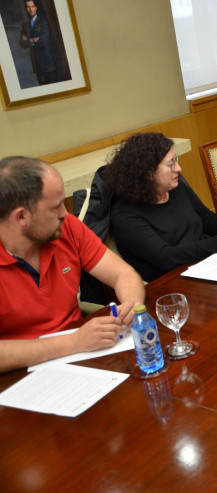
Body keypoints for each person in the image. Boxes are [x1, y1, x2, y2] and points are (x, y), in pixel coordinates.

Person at [0, 156, 145, 373]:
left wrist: (132, 304)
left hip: (82, 359)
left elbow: (122, 274)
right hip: (19, 377)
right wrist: (74, 342)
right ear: (21, 217)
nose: (64, 213)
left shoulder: (65, 228)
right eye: (55, 206)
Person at [105, 132, 217, 282]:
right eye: (170, 164)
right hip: (172, 285)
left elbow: (208, 221)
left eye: (176, 160)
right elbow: (166, 257)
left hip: (209, 266)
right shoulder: (125, 214)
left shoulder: (175, 187)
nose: (179, 169)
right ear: (148, 173)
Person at [18, 0, 58, 85]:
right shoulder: (25, 25)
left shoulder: (43, 22)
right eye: (28, 7)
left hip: (47, 63)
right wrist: (33, 40)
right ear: (26, 9)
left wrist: (28, 40)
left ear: (36, 8)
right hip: (36, 63)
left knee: (53, 86)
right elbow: (21, 43)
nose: (30, 9)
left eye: (32, 6)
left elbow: (43, 42)